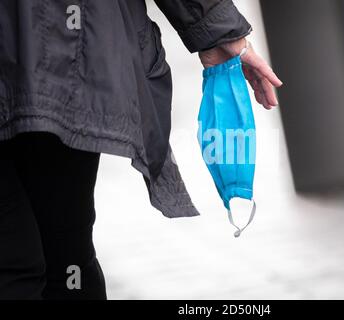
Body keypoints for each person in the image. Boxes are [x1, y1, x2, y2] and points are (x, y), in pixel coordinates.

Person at [0, 0, 282, 300]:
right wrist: (215, 25)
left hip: (55, 54)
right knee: (60, 257)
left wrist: (216, 28)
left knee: (48, 256)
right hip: (59, 54)